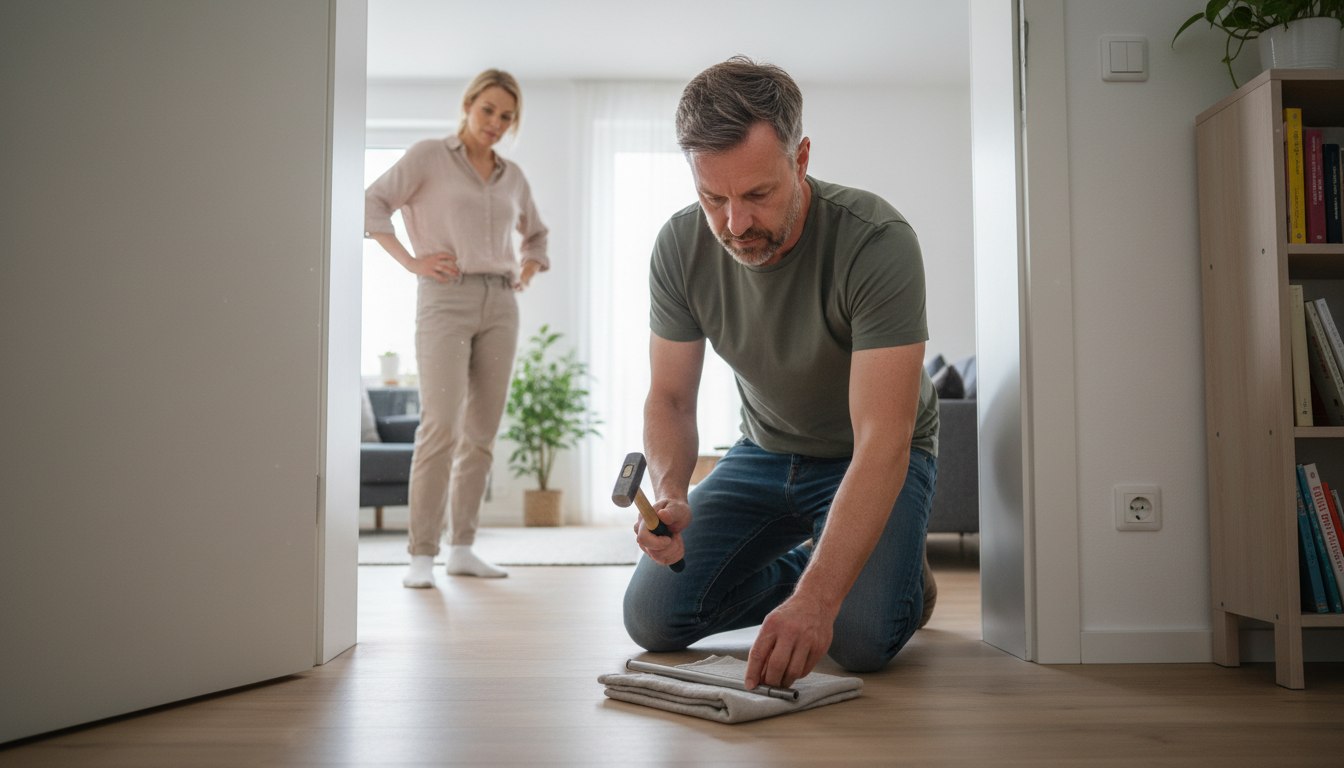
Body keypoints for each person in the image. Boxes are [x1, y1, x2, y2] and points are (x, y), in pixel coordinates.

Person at [623, 56, 940, 690]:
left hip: (868, 456)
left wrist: (820, 605)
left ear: (800, 160)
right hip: (764, 452)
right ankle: (825, 565)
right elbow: (670, 397)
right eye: (713, 198)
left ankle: (900, 582)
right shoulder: (680, 247)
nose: (734, 225)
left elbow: (883, 440)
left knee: (857, 638)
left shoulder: (877, 240)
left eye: (757, 195)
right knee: (654, 617)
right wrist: (673, 492)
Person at [365, 69, 549, 588]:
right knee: (440, 426)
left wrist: (526, 269)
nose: (496, 122)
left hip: (500, 303)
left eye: (507, 116)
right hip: (444, 297)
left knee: (482, 434)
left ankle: (463, 548)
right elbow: (373, 202)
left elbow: (536, 235)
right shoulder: (428, 156)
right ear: (469, 105)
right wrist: (411, 261)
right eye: (488, 109)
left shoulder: (511, 175)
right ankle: (421, 554)